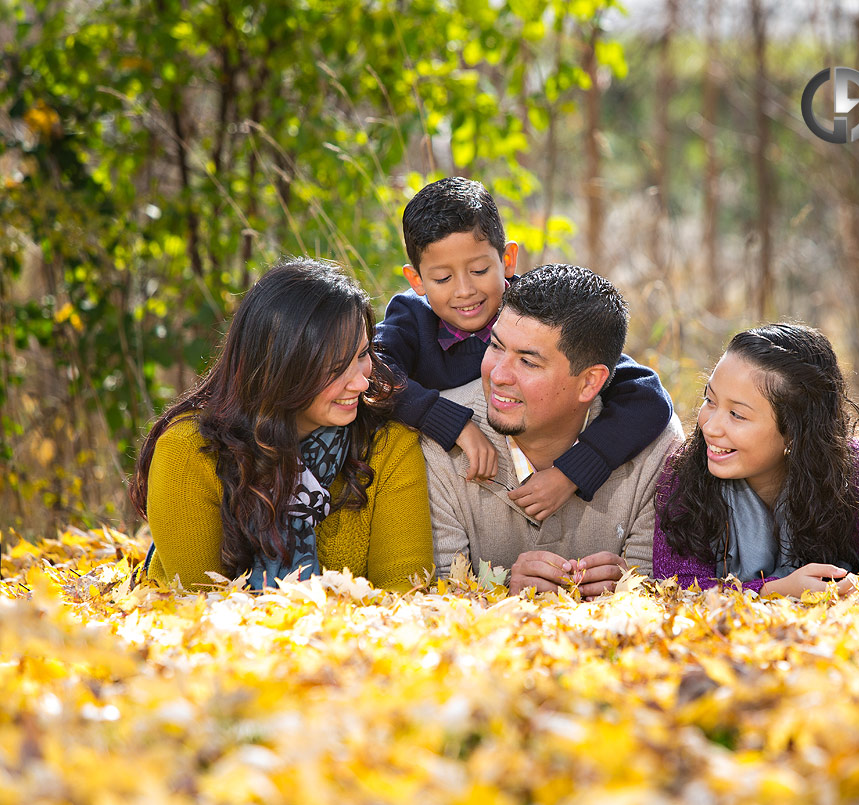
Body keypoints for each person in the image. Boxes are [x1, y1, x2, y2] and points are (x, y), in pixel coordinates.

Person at [375, 177, 673, 523]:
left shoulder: (531, 315)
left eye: (480, 270)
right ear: (417, 280)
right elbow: (372, 373)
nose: (465, 290)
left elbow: (647, 396)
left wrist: (574, 471)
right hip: (452, 492)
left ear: (508, 259)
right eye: (443, 279)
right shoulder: (410, 319)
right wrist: (451, 423)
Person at [129, 257, 433, 591]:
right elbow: (194, 606)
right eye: (335, 368)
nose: (361, 383)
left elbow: (405, 595)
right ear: (281, 369)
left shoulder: (388, 446)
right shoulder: (189, 450)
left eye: (362, 355)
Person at [653, 312, 859, 596]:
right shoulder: (685, 470)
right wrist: (776, 590)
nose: (710, 426)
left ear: (795, 432)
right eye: (710, 400)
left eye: (737, 415)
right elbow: (678, 588)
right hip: (836, 457)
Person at [420, 263, 683, 596]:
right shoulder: (442, 438)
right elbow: (431, 594)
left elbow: (667, 593)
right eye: (497, 347)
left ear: (590, 382)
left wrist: (632, 589)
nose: (498, 375)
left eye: (528, 362)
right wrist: (501, 592)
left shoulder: (657, 448)